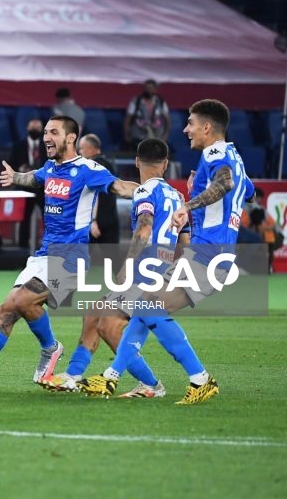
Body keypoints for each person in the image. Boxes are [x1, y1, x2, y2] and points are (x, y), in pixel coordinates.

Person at [0, 116, 138, 390]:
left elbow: (122, 187)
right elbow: (34, 178)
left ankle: (51, 347)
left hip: (70, 260)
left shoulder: (88, 169)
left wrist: (154, 192)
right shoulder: (50, 168)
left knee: (21, 300)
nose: (46, 137)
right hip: (42, 256)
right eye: (45, 133)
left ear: (71, 137)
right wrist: (16, 177)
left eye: (53, 132)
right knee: (6, 310)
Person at [80, 99, 253, 404]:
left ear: (207, 127)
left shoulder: (217, 152)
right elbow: (247, 190)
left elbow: (224, 183)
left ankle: (199, 379)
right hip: (210, 254)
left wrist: (189, 203)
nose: (186, 129)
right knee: (147, 308)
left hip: (209, 254)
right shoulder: (236, 157)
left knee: (147, 307)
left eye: (191, 123)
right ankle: (112, 377)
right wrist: (199, 190)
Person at [43, 138, 187, 398]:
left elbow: (144, 227)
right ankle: (73, 375)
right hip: (164, 268)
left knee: (108, 326)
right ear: (166, 164)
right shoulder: (178, 196)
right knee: (94, 314)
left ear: (136, 162)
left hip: (145, 269)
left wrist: (128, 265)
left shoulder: (144, 191)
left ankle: (151, 385)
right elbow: (185, 240)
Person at [9, 118, 45, 249]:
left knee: (49, 217)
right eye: (33, 127)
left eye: (38, 127)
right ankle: (23, 249)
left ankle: (49, 247)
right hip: (24, 187)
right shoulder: (18, 145)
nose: (35, 130)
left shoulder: (48, 146)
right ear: (27, 129)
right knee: (24, 219)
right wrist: (19, 169)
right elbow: (11, 164)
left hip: (43, 187)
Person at [79, 133, 120, 245]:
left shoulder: (91, 166)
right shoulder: (109, 165)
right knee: (111, 260)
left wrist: (93, 221)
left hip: (94, 221)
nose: (80, 152)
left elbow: (94, 194)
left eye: (82, 148)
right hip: (111, 220)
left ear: (91, 149)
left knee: (81, 260)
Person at [123, 79, 170, 151]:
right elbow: (128, 119)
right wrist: (127, 135)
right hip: (139, 136)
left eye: (151, 88)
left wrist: (165, 136)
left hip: (156, 136)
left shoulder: (161, 102)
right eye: (147, 88)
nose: (149, 90)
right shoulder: (136, 101)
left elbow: (167, 121)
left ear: (155, 90)